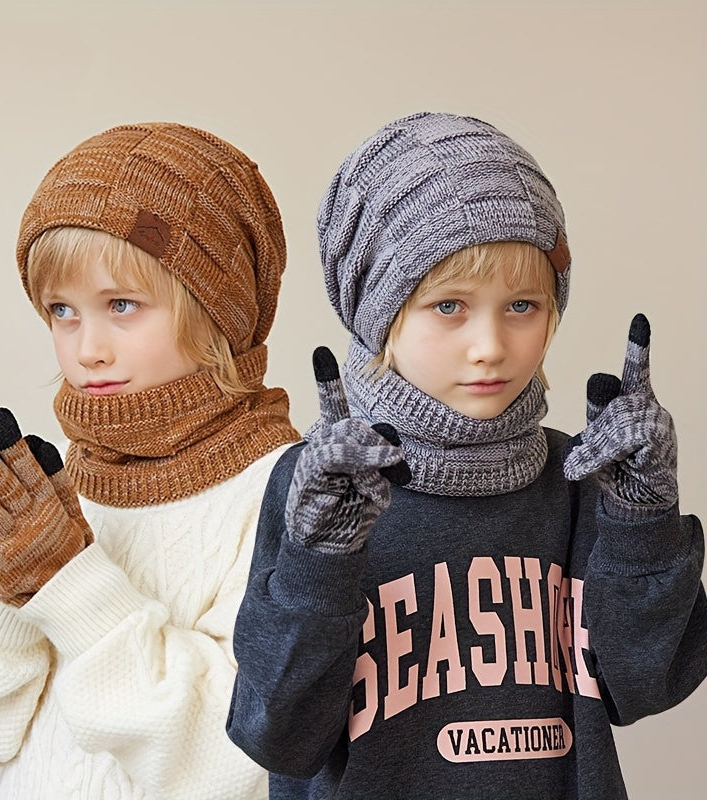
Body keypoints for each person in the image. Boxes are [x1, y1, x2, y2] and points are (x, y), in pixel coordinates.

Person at [226, 112, 707, 799]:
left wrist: (644, 521)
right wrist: (319, 563)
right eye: (449, 305)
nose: (490, 345)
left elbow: (647, 684)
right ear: (376, 312)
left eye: (522, 306)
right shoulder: (321, 489)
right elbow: (279, 736)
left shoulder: (575, 479)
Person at [0, 122, 300, 799]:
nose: (87, 348)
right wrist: (2, 585)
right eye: (63, 310)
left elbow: (226, 757)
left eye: (122, 305)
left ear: (220, 305)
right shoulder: (50, 488)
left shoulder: (286, 492)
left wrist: (64, 580)